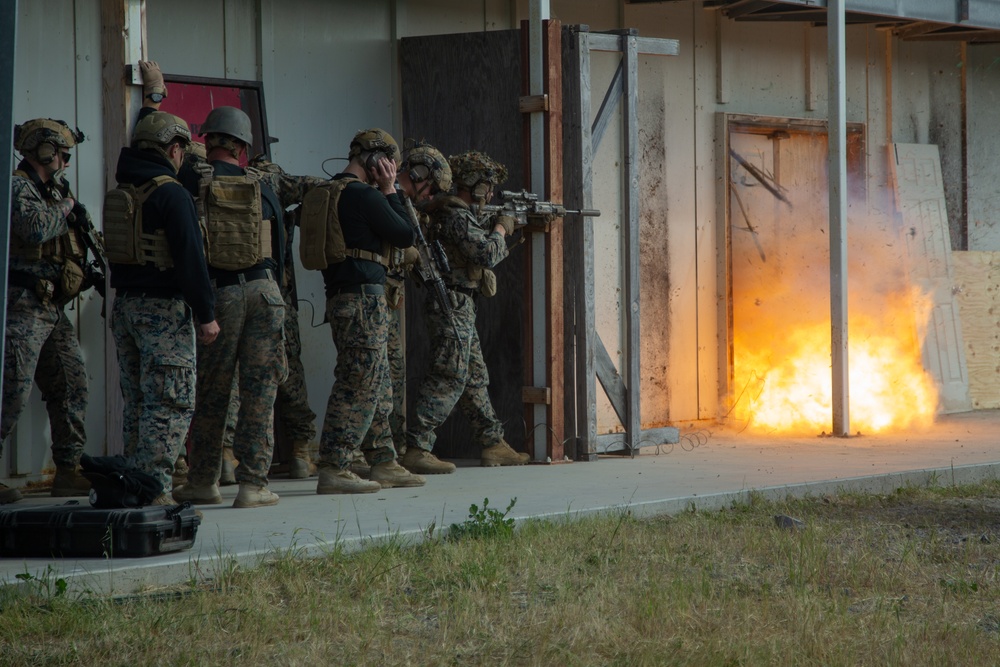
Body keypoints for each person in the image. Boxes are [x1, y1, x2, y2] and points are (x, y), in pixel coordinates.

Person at [172, 106, 325, 508]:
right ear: (242, 146)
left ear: (207, 140)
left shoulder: (189, 177)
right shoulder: (264, 183)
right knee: (261, 391)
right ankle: (254, 485)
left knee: (212, 391)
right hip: (265, 292)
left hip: (219, 294)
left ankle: (203, 480)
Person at [106, 106, 219, 505]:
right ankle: (153, 491)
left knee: (139, 404)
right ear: (173, 148)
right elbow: (191, 258)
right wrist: (206, 315)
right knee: (169, 405)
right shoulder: (171, 194)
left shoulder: (124, 191)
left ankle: (134, 486)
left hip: (126, 309)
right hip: (163, 314)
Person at [310, 129, 424, 494]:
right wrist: (390, 189)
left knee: (375, 382)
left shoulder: (329, 192)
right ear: (375, 161)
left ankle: (383, 460)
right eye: (388, 162)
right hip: (363, 301)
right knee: (358, 384)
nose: (391, 169)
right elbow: (406, 235)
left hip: (345, 297)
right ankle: (334, 464)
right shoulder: (362, 195)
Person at [404, 150, 530, 470]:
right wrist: (502, 228)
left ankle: (492, 442)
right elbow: (486, 253)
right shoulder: (454, 214)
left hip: (461, 303)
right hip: (451, 303)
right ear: (471, 184)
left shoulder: (458, 213)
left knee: (474, 377)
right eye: (486, 186)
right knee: (451, 375)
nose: (489, 194)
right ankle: (417, 445)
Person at [2, 117, 97, 503]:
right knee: (10, 393)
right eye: (62, 154)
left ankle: (69, 470)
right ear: (44, 151)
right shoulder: (17, 186)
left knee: (72, 385)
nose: (66, 162)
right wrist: (68, 206)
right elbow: (34, 228)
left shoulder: (53, 189)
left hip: (51, 308)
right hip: (21, 308)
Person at [391, 143, 459, 475]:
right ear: (417, 173)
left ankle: (389, 452)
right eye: (428, 185)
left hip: (386, 298)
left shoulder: (406, 204)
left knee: (390, 379)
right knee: (376, 380)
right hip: (368, 295)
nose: (428, 194)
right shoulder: (384, 196)